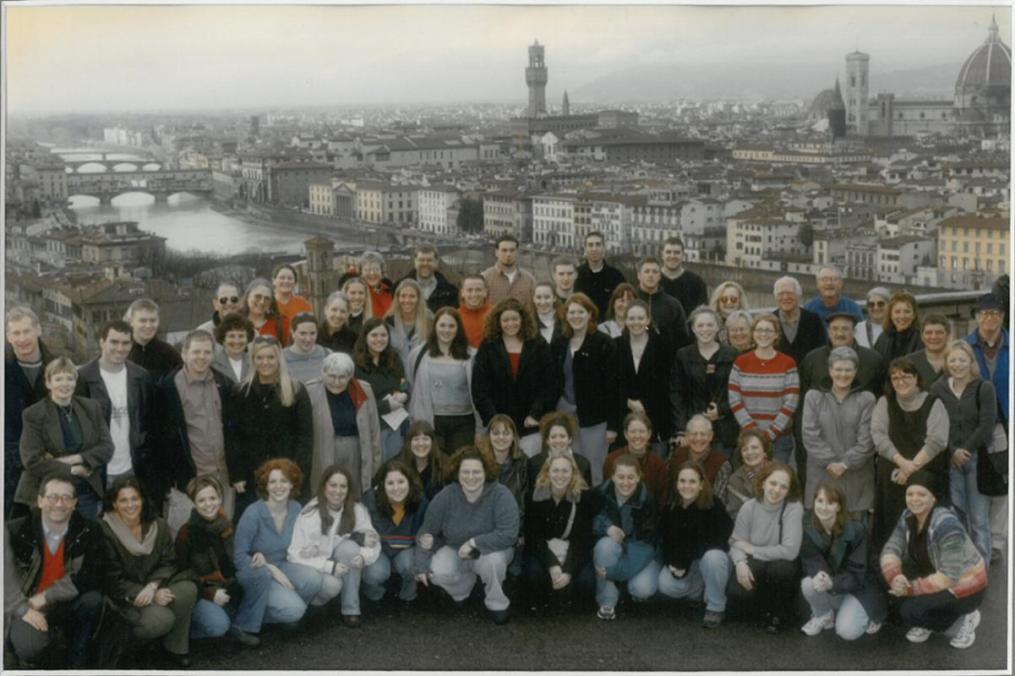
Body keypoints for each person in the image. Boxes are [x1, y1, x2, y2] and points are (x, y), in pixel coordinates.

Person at [98, 476, 198, 668]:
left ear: (143, 499)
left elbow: (169, 561)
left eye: (135, 499)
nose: (130, 505)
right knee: (163, 619)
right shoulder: (105, 531)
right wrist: (145, 594)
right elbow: (111, 579)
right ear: (114, 504)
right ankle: (129, 650)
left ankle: (175, 647)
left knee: (187, 589)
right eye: (123, 500)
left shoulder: (157, 525)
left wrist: (153, 587)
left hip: (152, 587)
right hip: (123, 599)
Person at [6, 474, 104, 668]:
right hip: (27, 604)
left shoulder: (88, 530)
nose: (59, 504)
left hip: (64, 602)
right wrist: (22, 608)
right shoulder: (15, 531)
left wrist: (48, 596)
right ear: (40, 500)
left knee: (93, 600)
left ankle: (76, 657)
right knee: (30, 647)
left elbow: (93, 575)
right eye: (52, 497)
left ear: (75, 503)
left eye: (66, 498)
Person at [414, 446, 520, 624]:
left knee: (494, 562)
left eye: (476, 472)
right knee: (438, 571)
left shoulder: (501, 494)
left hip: (491, 551)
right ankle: (463, 589)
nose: (471, 477)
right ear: (457, 473)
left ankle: (497, 603)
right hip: (455, 548)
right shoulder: (446, 496)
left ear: (486, 472)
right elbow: (426, 533)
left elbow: (509, 534)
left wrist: (473, 543)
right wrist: (421, 565)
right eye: (466, 472)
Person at [880, 472, 987, 649]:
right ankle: (930, 621)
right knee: (893, 602)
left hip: (965, 587)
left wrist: (909, 589)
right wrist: (895, 577)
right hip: (934, 574)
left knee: (910, 611)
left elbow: (948, 577)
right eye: (910, 494)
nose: (914, 499)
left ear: (934, 498)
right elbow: (891, 548)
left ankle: (965, 618)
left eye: (922, 494)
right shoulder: (908, 515)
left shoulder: (947, 524)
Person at [232, 459, 322, 635]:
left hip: (284, 564)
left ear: (292, 484)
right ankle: (250, 619)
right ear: (265, 486)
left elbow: (303, 542)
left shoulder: (296, 508)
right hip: (257, 571)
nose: (278, 486)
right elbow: (239, 557)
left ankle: (284, 613)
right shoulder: (253, 513)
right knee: (294, 610)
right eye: (272, 481)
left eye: (283, 481)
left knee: (314, 580)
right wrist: (270, 568)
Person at [16, 357, 113, 520]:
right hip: (51, 494)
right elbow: (32, 460)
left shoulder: (91, 407)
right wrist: (74, 469)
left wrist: (76, 458)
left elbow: (107, 447)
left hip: (86, 493)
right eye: (58, 379)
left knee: (85, 542)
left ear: (75, 382)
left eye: (69, 378)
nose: (65, 384)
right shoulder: (33, 414)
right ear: (48, 383)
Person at [155, 330, 236, 526]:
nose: (202, 357)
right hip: (190, 479)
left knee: (224, 533)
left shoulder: (224, 384)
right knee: (187, 538)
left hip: (223, 477)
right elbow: (163, 438)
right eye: (196, 352)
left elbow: (234, 431)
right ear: (184, 354)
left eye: (207, 352)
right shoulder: (168, 388)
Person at [870, 356, 950, 550]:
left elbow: (937, 441)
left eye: (906, 376)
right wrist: (901, 463)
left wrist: (910, 468)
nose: (900, 381)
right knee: (890, 526)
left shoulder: (934, 403)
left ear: (916, 378)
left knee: (922, 525)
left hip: (926, 473)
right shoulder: (884, 402)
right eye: (895, 378)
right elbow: (879, 436)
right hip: (891, 475)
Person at [228, 336, 314, 513]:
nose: (265, 362)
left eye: (270, 357)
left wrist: (295, 475)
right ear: (252, 360)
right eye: (259, 357)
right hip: (251, 476)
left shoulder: (296, 390)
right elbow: (232, 436)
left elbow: (305, 437)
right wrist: (237, 474)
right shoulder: (240, 391)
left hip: (287, 475)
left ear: (279, 359)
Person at [287, 466, 380, 627]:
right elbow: (295, 555)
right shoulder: (311, 512)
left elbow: (373, 541)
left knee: (350, 549)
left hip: (337, 560)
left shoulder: (357, 509)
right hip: (313, 565)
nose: (338, 491)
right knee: (332, 586)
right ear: (324, 487)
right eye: (333, 485)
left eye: (343, 486)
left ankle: (351, 609)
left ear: (348, 489)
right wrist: (329, 566)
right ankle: (309, 606)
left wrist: (364, 556)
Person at [173, 475, 260, 647]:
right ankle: (187, 631)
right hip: (201, 590)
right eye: (202, 500)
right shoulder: (186, 533)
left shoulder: (225, 524)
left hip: (226, 583)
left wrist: (256, 553)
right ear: (194, 503)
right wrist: (209, 594)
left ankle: (236, 624)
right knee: (217, 625)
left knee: (254, 575)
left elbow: (239, 549)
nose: (208, 504)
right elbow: (182, 575)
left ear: (220, 498)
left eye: (212, 498)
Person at [930, 341, 996, 562]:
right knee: (957, 517)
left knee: (979, 520)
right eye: (953, 360)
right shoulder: (938, 388)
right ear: (946, 363)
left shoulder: (983, 387)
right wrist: (951, 452)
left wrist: (964, 450)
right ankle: (963, 569)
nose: (957, 364)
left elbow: (987, 424)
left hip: (977, 460)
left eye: (962, 359)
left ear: (971, 362)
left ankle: (982, 570)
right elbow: (934, 423)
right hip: (950, 461)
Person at [75, 319, 155, 495]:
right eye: (114, 342)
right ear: (102, 342)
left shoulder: (141, 376)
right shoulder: (83, 377)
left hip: (131, 468)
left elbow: (149, 423)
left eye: (125, 343)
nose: (120, 348)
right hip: (97, 470)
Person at [799, 482, 886, 640]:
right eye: (819, 501)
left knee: (847, 631)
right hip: (836, 583)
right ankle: (824, 615)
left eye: (830, 503)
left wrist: (832, 583)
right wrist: (820, 575)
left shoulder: (857, 530)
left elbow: (859, 573)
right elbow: (810, 557)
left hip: (861, 587)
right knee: (808, 584)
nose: (823, 507)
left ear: (839, 507)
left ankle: (871, 615)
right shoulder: (808, 524)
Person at [726, 462, 804, 633]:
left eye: (784, 487)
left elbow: (790, 551)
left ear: (789, 490)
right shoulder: (749, 507)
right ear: (763, 483)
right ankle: (762, 608)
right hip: (758, 562)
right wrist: (739, 563)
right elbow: (736, 541)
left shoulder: (793, 508)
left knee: (780, 570)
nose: (776, 490)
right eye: (773, 483)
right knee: (737, 593)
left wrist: (753, 550)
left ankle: (780, 613)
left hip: (782, 563)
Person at [472, 298, 559, 449]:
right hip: (499, 429)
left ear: (523, 319)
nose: (510, 324)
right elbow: (479, 388)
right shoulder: (488, 345)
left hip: (531, 425)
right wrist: (493, 419)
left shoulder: (538, 344)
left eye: (515, 319)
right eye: (505, 320)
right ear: (498, 321)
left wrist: (536, 414)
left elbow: (550, 384)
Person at [800, 346, 877, 517]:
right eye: (838, 369)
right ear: (830, 370)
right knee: (821, 534)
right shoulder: (813, 397)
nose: (843, 374)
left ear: (855, 371)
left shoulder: (866, 399)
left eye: (848, 369)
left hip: (856, 479)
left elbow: (867, 441)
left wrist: (844, 464)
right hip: (822, 476)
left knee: (856, 535)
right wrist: (831, 462)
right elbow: (810, 436)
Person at [657, 461, 733, 629]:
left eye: (692, 481)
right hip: (690, 563)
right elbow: (666, 543)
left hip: (712, 560)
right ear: (676, 483)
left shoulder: (714, 505)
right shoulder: (670, 508)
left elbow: (718, 541)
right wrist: (673, 563)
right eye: (682, 481)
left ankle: (716, 606)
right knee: (666, 585)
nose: (687, 486)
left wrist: (684, 559)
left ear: (701, 484)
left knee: (712, 557)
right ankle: (696, 593)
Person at [964, 293, 1009, 567]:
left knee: (1003, 484)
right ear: (976, 317)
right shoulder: (965, 347)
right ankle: (976, 537)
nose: (988, 318)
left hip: (1007, 423)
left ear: (1002, 317)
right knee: (976, 482)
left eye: (994, 313)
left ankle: (996, 542)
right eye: (983, 314)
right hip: (975, 424)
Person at [553, 293, 617, 484]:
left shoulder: (604, 343)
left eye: (581, 312)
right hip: (564, 415)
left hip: (595, 420)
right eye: (571, 312)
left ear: (590, 314)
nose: (576, 316)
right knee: (567, 468)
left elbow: (613, 387)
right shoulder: (559, 343)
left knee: (594, 471)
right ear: (566, 316)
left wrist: (613, 426)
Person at [591, 454, 660, 620]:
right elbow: (588, 519)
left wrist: (614, 572)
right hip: (613, 550)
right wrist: (606, 527)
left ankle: (624, 584)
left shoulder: (647, 501)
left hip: (639, 553)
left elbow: (646, 546)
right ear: (613, 476)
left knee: (642, 589)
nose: (625, 482)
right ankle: (607, 601)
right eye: (620, 477)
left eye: (631, 477)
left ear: (638, 477)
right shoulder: (600, 493)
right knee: (605, 545)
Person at [524, 452, 596, 610]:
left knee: (587, 581)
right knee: (533, 573)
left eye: (565, 471)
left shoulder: (583, 498)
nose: (560, 475)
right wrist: (552, 565)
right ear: (547, 472)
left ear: (573, 473)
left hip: (572, 550)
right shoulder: (534, 497)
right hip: (544, 550)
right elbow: (534, 537)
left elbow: (582, 539)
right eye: (555, 470)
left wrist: (568, 570)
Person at [407, 307, 480, 456]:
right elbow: (411, 382)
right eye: (442, 325)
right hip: (431, 421)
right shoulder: (418, 354)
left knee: (459, 466)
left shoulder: (472, 356)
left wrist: (480, 430)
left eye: (452, 326)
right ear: (435, 327)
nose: (446, 330)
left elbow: (479, 392)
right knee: (434, 467)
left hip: (463, 423)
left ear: (458, 328)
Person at [307, 352, 382, 496]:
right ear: (323, 373)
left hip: (355, 449)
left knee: (352, 493)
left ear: (350, 376)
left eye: (342, 377)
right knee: (327, 491)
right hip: (324, 449)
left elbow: (374, 430)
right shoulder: (311, 390)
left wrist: (375, 465)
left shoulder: (363, 389)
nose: (336, 382)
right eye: (331, 376)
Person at [728, 314, 800, 463]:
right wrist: (753, 431)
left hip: (780, 439)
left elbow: (791, 402)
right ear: (753, 334)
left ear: (776, 335)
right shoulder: (741, 362)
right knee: (750, 483)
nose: (763, 334)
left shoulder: (788, 363)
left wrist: (770, 434)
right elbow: (734, 399)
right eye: (759, 330)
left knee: (776, 483)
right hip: (748, 438)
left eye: (768, 330)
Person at [6, 306, 55, 518]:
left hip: (50, 462)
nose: (22, 338)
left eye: (26, 331)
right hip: (10, 469)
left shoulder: (59, 367)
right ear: (7, 336)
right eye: (15, 333)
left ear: (38, 330)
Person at [671, 306, 739, 457]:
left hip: (724, 430)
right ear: (693, 329)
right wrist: (681, 429)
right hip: (694, 430)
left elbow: (739, 392)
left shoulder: (732, 354)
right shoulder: (683, 355)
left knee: (721, 473)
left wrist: (721, 410)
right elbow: (676, 393)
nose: (705, 329)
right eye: (700, 325)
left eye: (710, 325)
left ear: (717, 327)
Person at [362, 460, 429, 604]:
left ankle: (408, 595)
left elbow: (427, 533)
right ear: (382, 485)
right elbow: (353, 528)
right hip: (378, 551)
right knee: (375, 573)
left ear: (409, 482)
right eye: (390, 483)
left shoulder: (420, 502)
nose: (396, 488)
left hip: (405, 551)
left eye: (401, 482)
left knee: (411, 564)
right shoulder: (370, 500)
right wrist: (362, 539)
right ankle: (374, 595)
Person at [615, 299, 672, 449]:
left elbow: (665, 384)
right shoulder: (616, 345)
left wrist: (645, 404)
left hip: (656, 417)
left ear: (648, 319)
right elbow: (612, 383)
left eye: (640, 318)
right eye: (631, 318)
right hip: (624, 417)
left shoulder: (663, 345)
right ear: (625, 320)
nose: (636, 322)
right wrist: (628, 402)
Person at [352, 318, 410, 462]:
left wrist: (404, 395)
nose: (379, 339)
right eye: (374, 335)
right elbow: (357, 403)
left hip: (396, 423)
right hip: (373, 427)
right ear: (365, 337)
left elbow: (404, 383)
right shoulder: (356, 365)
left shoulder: (395, 358)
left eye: (383, 335)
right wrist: (386, 406)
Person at [479, 414, 529, 574]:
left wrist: (518, 532)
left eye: (506, 433)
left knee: (515, 573)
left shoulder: (523, 463)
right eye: (496, 433)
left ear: (513, 437)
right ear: (489, 436)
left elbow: (525, 501)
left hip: (514, 533)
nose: (501, 437)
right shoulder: (478, 462)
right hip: (484, 531)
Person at [798, 311, 884, 398]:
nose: (840, 334)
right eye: (835, 329)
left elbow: (881, 394)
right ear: (828, 331)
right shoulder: (812, 359)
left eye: (845, 329)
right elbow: (802, 393)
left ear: (854, 331)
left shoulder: (873, 359)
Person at [603, 412, 669, 504]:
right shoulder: (611, 460)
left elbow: (661, 501)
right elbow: (607, 495)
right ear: (626, 434)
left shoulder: (658, 465)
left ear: (649, 434)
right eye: (633, 432)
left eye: (642, 431)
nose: (637, 436)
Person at [668, 415, 733, 506]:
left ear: (711, 436)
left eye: (703, 434)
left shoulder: (722, 465)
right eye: (694, 434)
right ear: (687, 435)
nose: (698, 438)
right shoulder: (677, 456)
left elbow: (717, 503)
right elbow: (669, 494)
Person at [634, 256, 691, 349]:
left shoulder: (673, 305)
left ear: (660, 276)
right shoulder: (629, 301)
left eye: (655, 271)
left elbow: (683, 339)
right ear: (639, 275)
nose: (651, 275)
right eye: (647, 271)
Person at [527, 411, 593, 490]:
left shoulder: (583, 464)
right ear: (547, 440)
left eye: (562, 436)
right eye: (553, 437)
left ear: (570, 439)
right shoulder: (534, 463)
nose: (558, 440)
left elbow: (588, 497)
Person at [125, 298, 183, 383]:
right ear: (131, 322)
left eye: (153, 320)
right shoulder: (122, 352)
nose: (148, 325)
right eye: (143, 321)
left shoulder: (170, 354)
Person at [773, 276, 826, 367]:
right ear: (775, 297)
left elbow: (822, 351)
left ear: (799, 295)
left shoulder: (813, 320)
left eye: (790, 293)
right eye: (781, 293)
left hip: (807, 376)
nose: (785, 297)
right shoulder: (769, 321)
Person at [575, 230, 626, 319]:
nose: (594, 249)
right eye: (590, 245)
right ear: (585, 248)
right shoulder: (576, 275)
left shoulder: (616, 276)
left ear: (604, 248)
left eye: (598, 244)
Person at [396, 243, 459, 313]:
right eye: (421, 260)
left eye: (429, 260)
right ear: (415, 261)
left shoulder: (450, 292)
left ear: (436, 262)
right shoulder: (398, 288)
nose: (425, 263)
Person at [725, 429, 772, 520]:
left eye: (754, 447)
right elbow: (734, 513)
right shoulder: (735, 480)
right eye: (745, 449)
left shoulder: (781, 473)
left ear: (765, 452)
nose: (750, 452)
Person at [385, 278, 432, 369]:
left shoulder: (430, 320)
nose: (407, 300)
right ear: (397, 298)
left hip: (422, 374)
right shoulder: (388, 322)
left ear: (418, 298)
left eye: (412, 296)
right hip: (397, 375)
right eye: (403, 296)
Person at [659, 236, 708, 318]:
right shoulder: (652, 280)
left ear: (683, 255)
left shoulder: (696, 282)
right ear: (662, 254)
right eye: (668, 252)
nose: (672, 256)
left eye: (676, 252)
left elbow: (703, 314)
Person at [481, 234, 536, 305]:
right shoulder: (485, 279)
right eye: (504, 250)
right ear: (496, 252)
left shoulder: (530, 280)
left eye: (512, 250)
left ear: (517, 252)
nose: (508, 254)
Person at [397, 420, 445, 499]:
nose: (421, 443)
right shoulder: (397, 466)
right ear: (409, 442)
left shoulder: (443, 466)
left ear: (432, 442)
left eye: (425, 439)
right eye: (416, 439)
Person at [873, 291, 922, 365]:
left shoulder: (922, 338)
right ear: (890, 315)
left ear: (914, 315)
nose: (902, 316)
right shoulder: (883, 338)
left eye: (907, 311)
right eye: (897, 312)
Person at [283, 312, 331, 385]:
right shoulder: (281, 357)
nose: (308, 339)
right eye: (303, 333)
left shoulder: (327, 354)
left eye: (312, 333)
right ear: (292, 333)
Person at [241, 278, 290, 346]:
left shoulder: (282, 323)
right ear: (247, 297)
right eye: (258, 296)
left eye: (267, 298)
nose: (262, 302)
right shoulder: (235, 322)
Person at [909, 314, 952, 388]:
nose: (933, 337)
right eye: (928, 333)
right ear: (922, 336)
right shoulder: (910, 362)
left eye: (939, 332)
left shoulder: (960, 360)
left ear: (948, 335)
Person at [212, 313, 254, 384]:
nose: (236, 341)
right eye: (231, 336)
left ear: (248, 338)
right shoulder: (212, 364)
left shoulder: (255, 363)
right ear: (223, 339)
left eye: (241, 336)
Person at [458, 273, 491, 349]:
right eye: (469, 290)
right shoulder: (455, 316)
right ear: (462, 292)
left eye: (478, 290)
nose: (474, 294)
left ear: (485, 292)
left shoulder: (495, 314)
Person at [358, 251, 394, 318]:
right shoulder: (358, 294)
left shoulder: (391, 291)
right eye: (367, 270)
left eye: (376, 269)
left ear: (382, 271)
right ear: (361, 273)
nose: (372, 273)